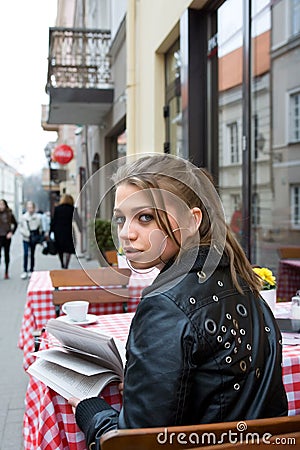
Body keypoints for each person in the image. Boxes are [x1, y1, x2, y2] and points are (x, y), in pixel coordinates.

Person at [69, 154, 287, 448]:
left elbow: (136, 443)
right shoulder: (240, 278)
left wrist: (90, 409)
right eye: (121, 218)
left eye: (145, 217)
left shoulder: (166, 305)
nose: (126, 233)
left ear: (192, 219)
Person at [50, 194, 76, 269]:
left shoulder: (57, 209)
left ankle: (62, 263)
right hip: (68, 230)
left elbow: (53, 220)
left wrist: (51, 231)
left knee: (60, 248)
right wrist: (81, 228)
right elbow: (77, 219)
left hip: (58, 230)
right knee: (68, 248)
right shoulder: (72, 209)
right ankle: (66, 264)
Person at [19, 201, 43, 279]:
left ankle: (31, 270)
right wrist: (26, 233)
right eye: (29, 207)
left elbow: (40, 227)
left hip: (34, 239)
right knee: (26, 254)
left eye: (31, 207)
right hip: (26, 238)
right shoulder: (23, 217)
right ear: (27, 208)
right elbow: (20, 228)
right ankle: (25, 270)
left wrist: (39, 236)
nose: (30, 209)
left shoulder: (38, 217)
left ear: (34, 208)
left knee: (32, 254)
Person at [0, 199, 18, 279]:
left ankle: (6, 271)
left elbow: (15, 224)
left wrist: (11, 232)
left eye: (2, 204)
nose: (1, 206)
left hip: (6, 236)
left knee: (6, 254)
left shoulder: (9, 213)